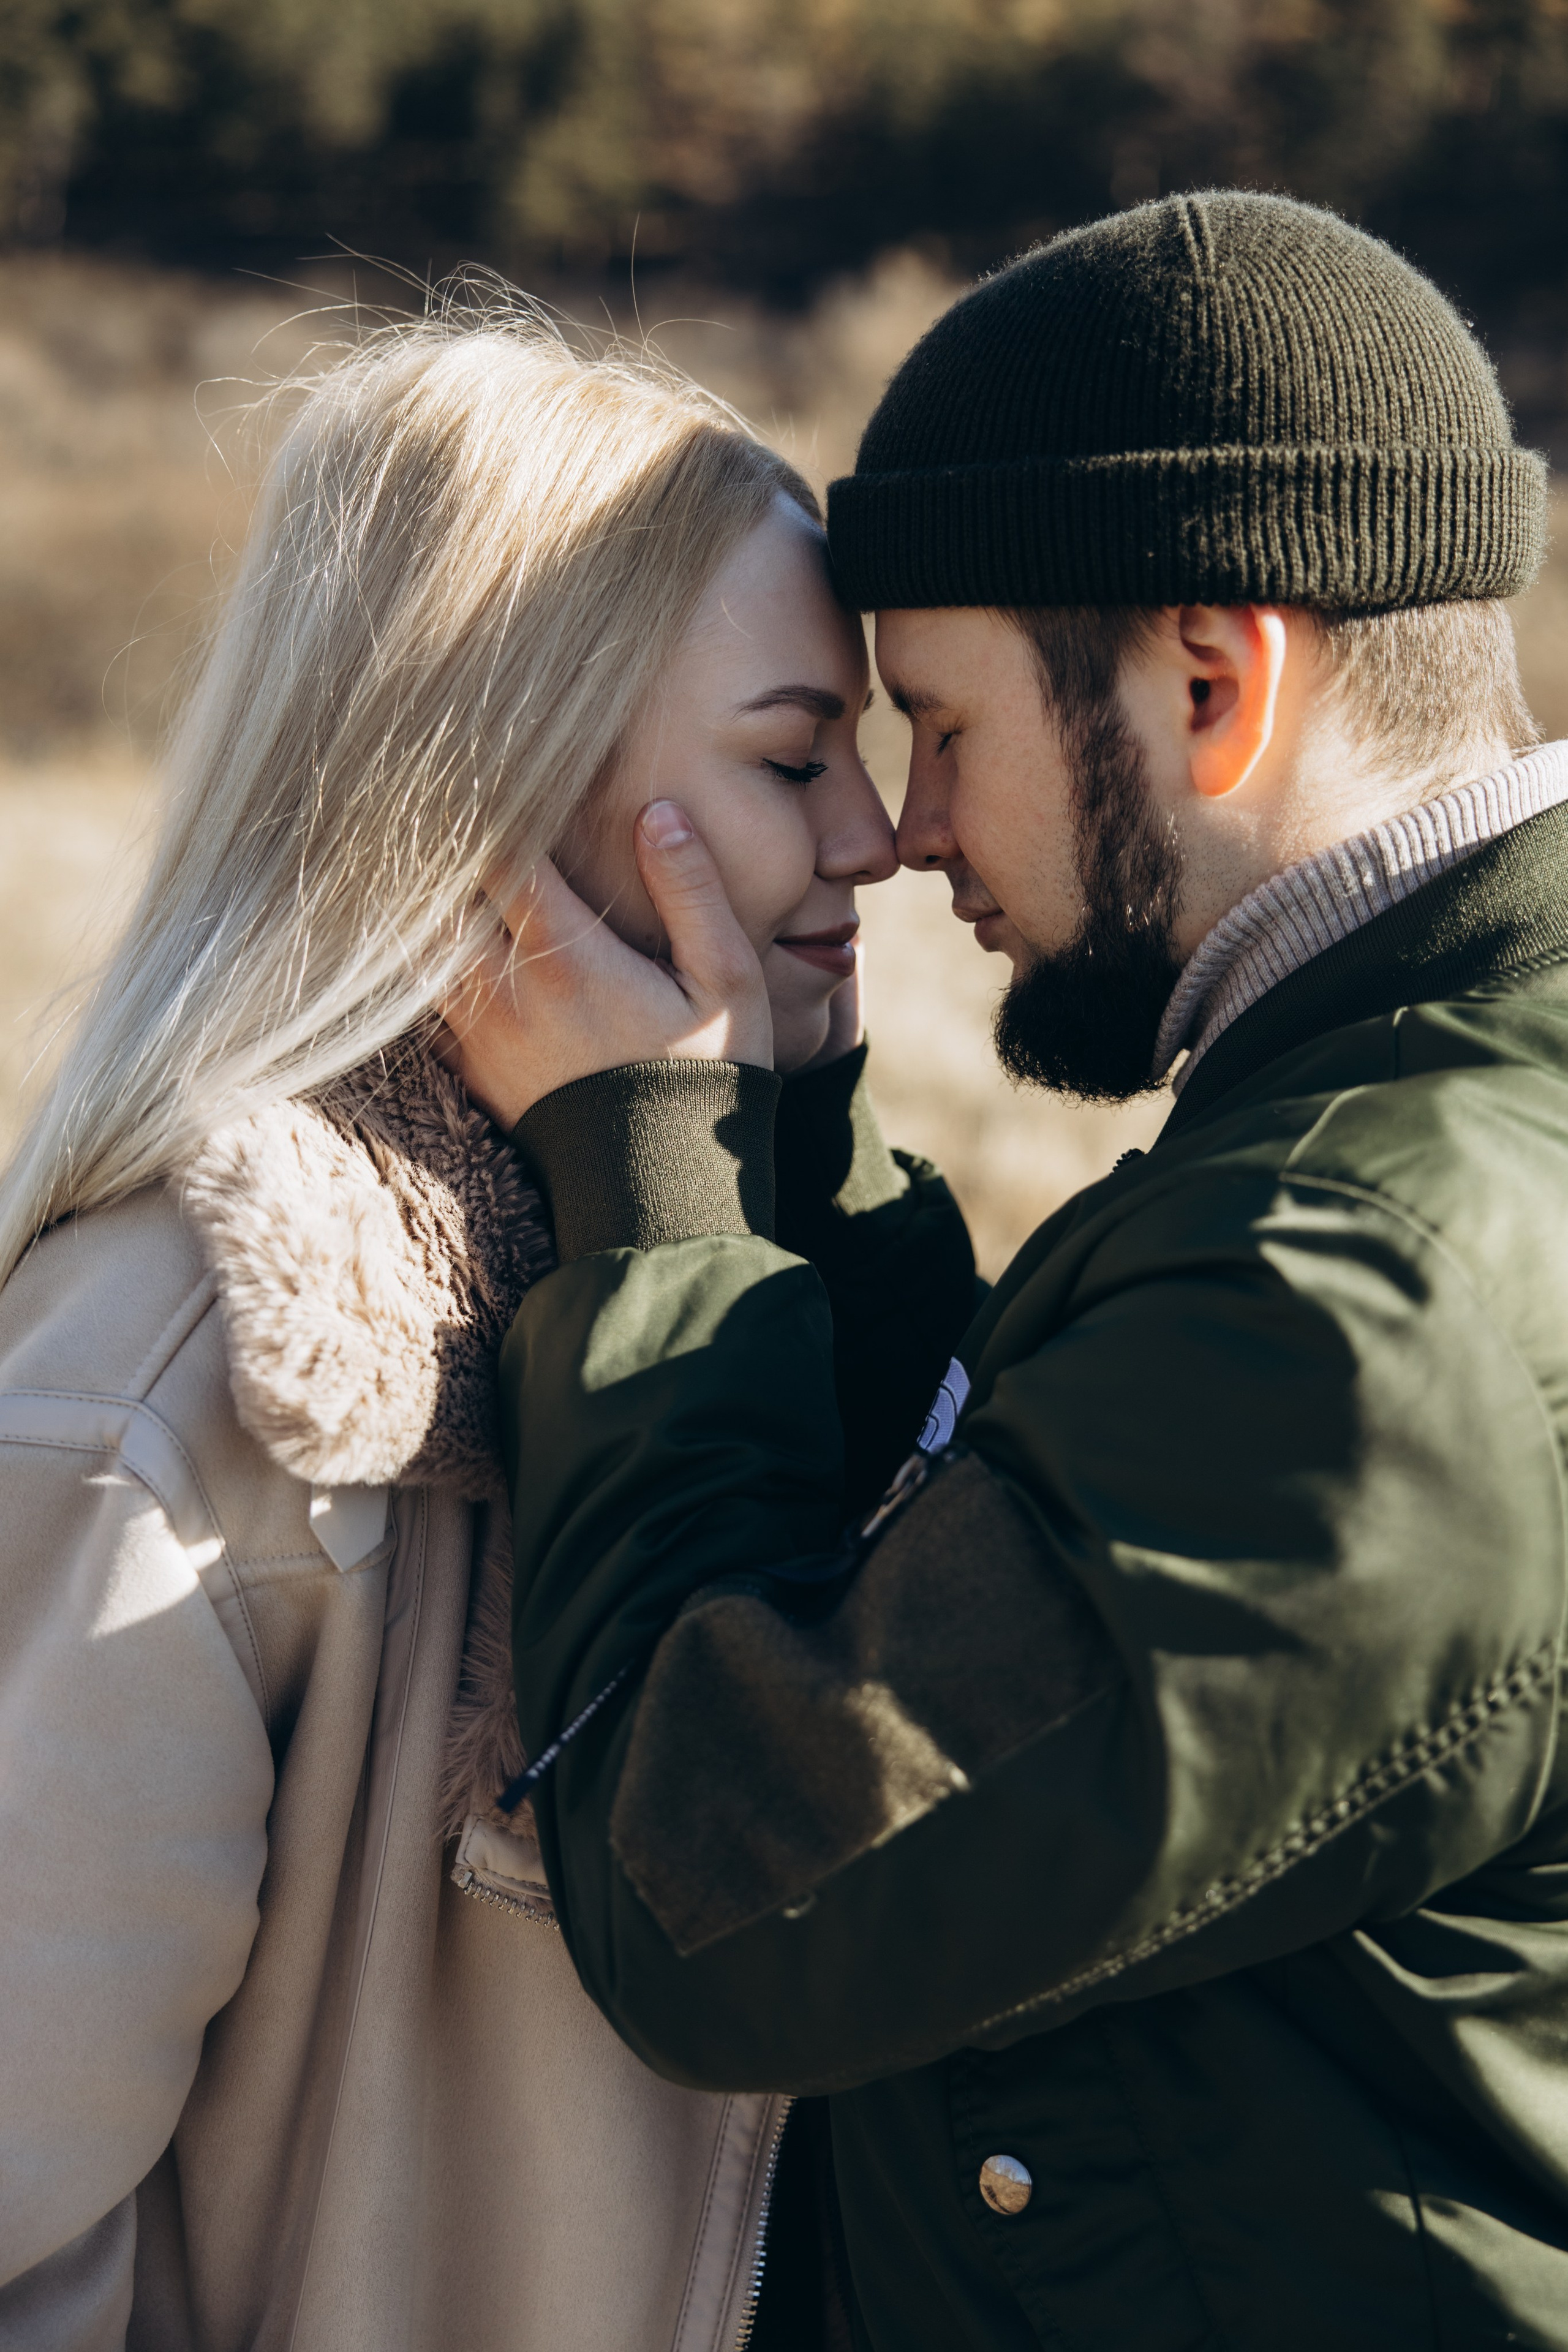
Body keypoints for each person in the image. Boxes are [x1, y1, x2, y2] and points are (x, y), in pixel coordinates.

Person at [446, 194, 1568, 2349]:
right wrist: (788, 1111)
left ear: (1214, 685)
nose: (901, 829)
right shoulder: (1416, 1120)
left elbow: (737, 1882)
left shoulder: (1375, 1296)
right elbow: (1028, 1583)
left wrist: (649, 1175)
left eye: (944, 728)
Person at [0, 300, 911, 2349]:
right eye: (791, 755)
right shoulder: (175, 1386)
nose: (878, 837)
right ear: (499, 794)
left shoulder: (728, 1295)